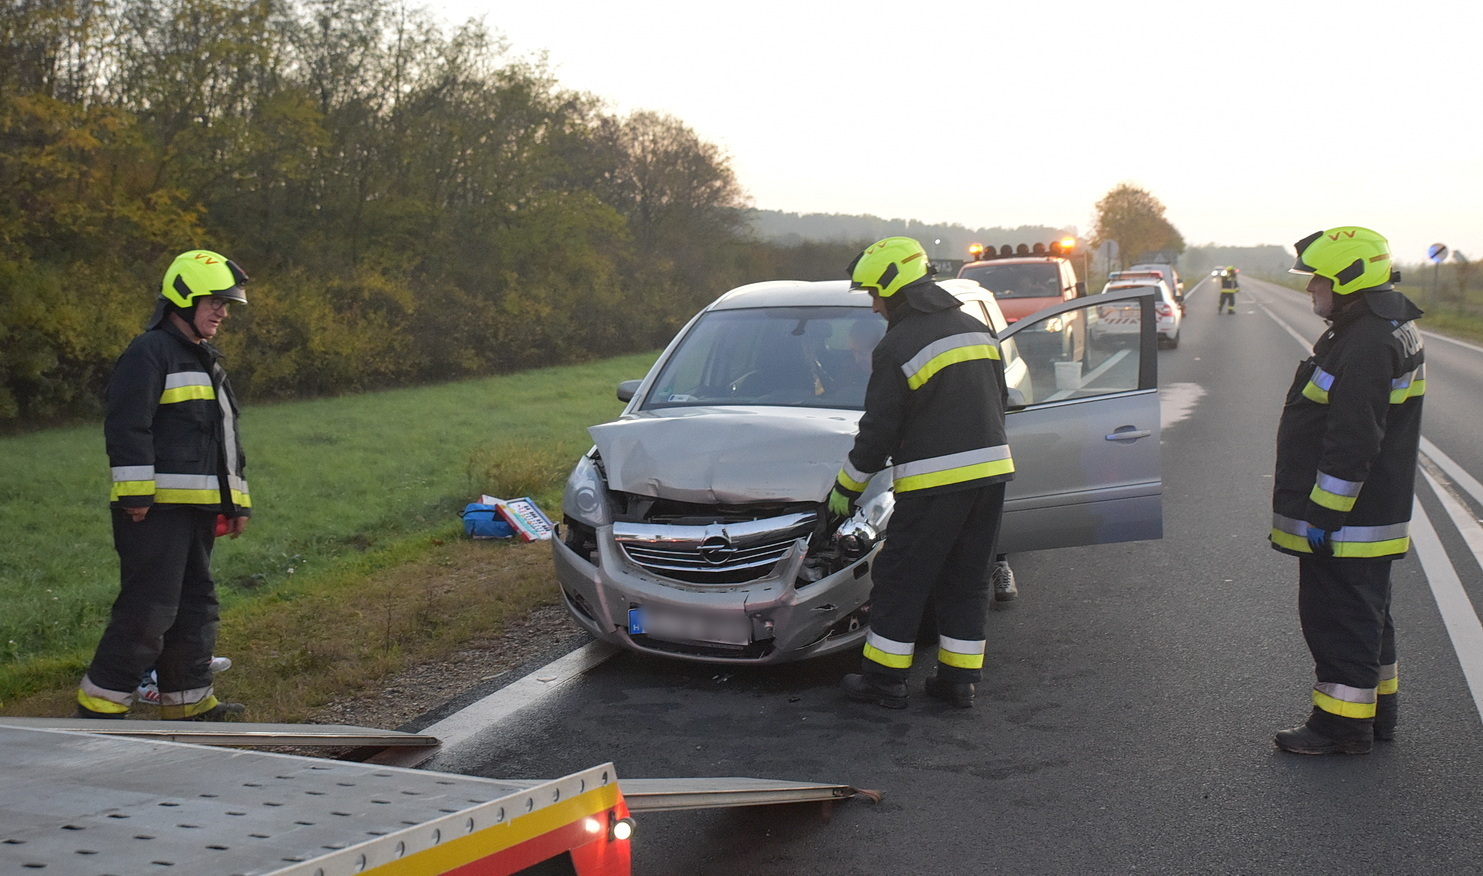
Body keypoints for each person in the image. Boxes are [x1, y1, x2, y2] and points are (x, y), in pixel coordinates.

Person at [829, 237, 1014, 709]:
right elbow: (1000, 401)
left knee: (901, 578)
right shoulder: (976, 329)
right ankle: (958, 683)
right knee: (968, 578)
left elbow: (878, 431)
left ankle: (884, 682)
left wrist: (845, 488)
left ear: (895, 290)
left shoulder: (899, 345)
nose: (873, 306)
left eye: (874, 294)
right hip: (991, 480)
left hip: (935, 487)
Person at [75, 250, 254, 721]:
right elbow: (127, 426)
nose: (222, 312)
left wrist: (236, 502)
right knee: (148, 612)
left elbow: (224, 437)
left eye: (227, 303)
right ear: (182, 298)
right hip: (153, 512)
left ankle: (188, 702)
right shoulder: (148, 353)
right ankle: (99, 704)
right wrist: (135, 494)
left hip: (195, 511)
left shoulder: (205, 359)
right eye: (214, 301)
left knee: (196, 607)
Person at [1271, 227, 1424, 755]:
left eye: (1319, 277)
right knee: (1367, 615)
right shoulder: (1377, 328)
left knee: (1339, 619)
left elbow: (1353, 437)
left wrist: (1325, 512)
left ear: (1347, 278)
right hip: (1370, 510)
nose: (1311, 287)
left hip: (1350, 518)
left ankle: (1341, 727)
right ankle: (1377, 716)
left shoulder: (1365, 341)